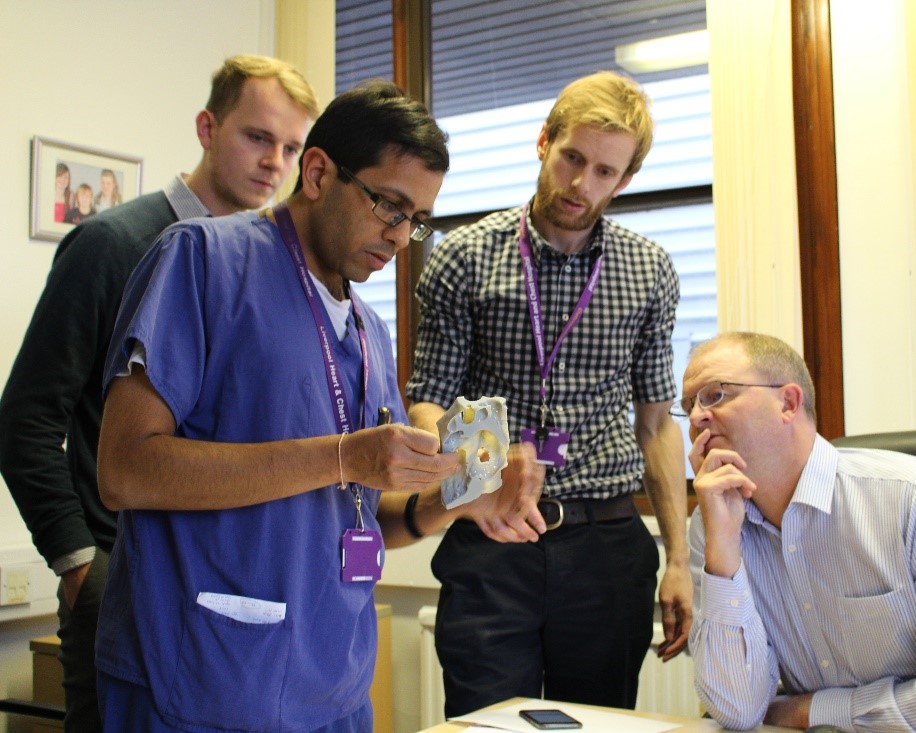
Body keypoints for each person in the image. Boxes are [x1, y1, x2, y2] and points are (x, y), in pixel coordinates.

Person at [94, 78, 542, 733]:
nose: (398, 236)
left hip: (332, 676)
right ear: (317, 171)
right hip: (203, 671)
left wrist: (459, 500)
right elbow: (125, 470)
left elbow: (368, 512)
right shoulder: (203, 262)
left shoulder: (368, 327)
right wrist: (342, 455)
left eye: (416, 221)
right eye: (389, 205)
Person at [0, 54, 318, 733]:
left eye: (291, 148)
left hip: (231, 581)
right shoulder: (111, 244)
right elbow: (26, 417)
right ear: (208, 127)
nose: (274, 163)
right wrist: (80, 561)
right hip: (124, 574)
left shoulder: (272, 272)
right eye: (257, 137)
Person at [406, 70, 691, 717]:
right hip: (492, 538)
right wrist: (484, 479)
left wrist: (679, 558)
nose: (581, 184)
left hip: (606, 545)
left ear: (625, 179)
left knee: (600, 725)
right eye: (572, 158)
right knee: (483, 724)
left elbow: (657, 423)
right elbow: (427, 400)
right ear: (543, 142)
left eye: (604, 172)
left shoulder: (649, 269)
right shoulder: (467, 256)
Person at [682, 332, 916, 732]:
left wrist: (806, 711)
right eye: (688, 405)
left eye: (715, 395)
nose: (696, 418)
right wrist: (723, 550)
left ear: (788, 402)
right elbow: (738, 711)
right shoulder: (715, 527)